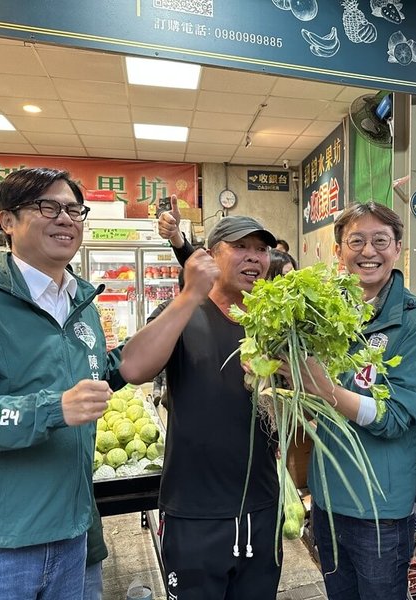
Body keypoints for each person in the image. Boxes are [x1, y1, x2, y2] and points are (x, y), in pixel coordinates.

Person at [0, 167, 124, 599]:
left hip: (71, 536)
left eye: (74, 209)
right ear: (8, 221)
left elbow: (98, 376)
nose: (65, 218)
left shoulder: (81, 302)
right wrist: (52, 409)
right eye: (47, 206)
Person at [118, 216, 280, 600]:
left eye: (261, 250)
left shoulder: (272, 323)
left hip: (260, 505)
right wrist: (189, 294)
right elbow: (133, 368)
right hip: (193, 510)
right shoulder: (184, 314)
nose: (254, 258)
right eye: (241, 247)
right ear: (210, 255)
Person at [290, 201, 416, 599]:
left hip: (380, 510)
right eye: (356, 241)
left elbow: (395, 417)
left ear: (397, 248)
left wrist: (328, 391)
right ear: (339, 249)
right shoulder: (323, 314)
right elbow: (313, 402)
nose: (368, 251)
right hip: (326, 498)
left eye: (380, 240)